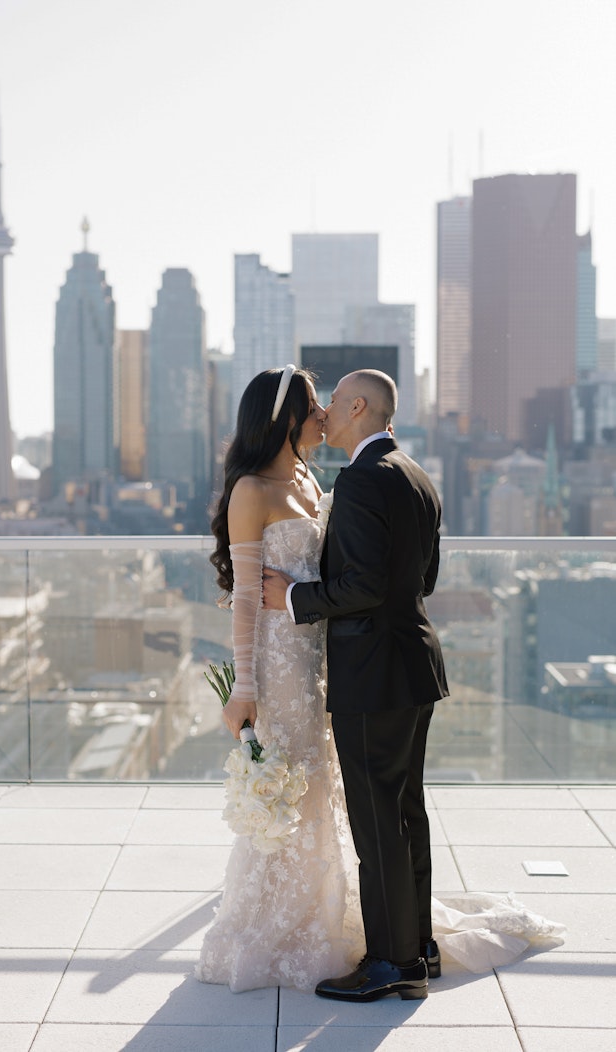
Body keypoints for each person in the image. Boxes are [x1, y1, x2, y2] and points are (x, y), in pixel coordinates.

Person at [262, 368, 447, 1003]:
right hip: (414, 665)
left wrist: (295, 597)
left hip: (373, 675)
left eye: (333, 404)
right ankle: (418, 945)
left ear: (359, 406)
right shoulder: (415, 475)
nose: (325, 414)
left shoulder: (365, 479)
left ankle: (391, 965)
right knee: (405, 814)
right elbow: (421, 579)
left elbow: (365, 585)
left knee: (376, 824)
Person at [195, 365, 364, 993]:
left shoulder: (307, 478)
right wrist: (244, 688)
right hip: (278, 665)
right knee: (286, 785)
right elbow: (244, 597)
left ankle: (319, 915)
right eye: (316, 404)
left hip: (319, 655)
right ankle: (272, 927)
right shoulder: (252, 491)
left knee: (317, 781)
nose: (325, 414)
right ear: (287, 417)